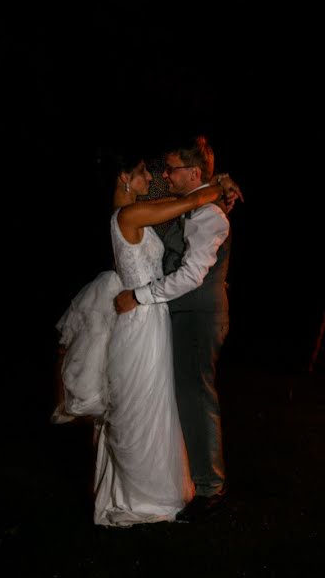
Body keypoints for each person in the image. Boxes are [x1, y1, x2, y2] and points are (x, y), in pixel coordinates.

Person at [55, 148, 234, 526]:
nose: (152, 179)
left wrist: (217, 190)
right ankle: (141, 493)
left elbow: (187, 204)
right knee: (141, 403)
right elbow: (191, 199)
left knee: (154, 402)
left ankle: (154, 487)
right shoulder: (131, 214)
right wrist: (218, 185)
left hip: (150, 315)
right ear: (125, 178)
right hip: (140, 319)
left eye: (160, 173)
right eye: (143, 175)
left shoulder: (135, 210)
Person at [114, 135, 236, 522]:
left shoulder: (210, 214)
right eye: (163, 170)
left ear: (194, 173)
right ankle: (187, 478)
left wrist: (141, 296)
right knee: (183, 397)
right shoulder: (189, 207)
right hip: (178, 315)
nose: (165, 175)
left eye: (172, 169)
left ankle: (209, 488)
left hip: (198, 313)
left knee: (197, 398)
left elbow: (191, 276)